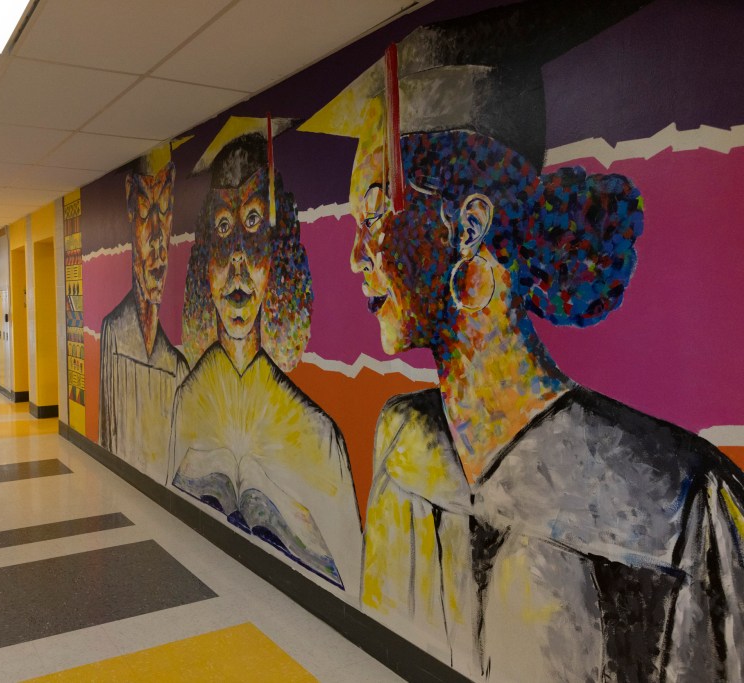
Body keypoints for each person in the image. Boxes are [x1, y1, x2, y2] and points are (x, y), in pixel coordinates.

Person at [300, 0, 744, 680]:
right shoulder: (402, 444)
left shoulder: (677, 501)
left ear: (470, 225)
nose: (356, 254)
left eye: (375, 212)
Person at [170, 117, 363, 593]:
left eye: (253, 223)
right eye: (222, 227)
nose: (237, 261)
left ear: (278, 251)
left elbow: (357, 583)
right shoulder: (187, 398)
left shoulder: (319, 436)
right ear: (204, 258)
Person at [99, 145, 188, 484]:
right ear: (128, 208)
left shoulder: (177, 368)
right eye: (144, 210)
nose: (156, 238)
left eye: (164, 211)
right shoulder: (113, 333)